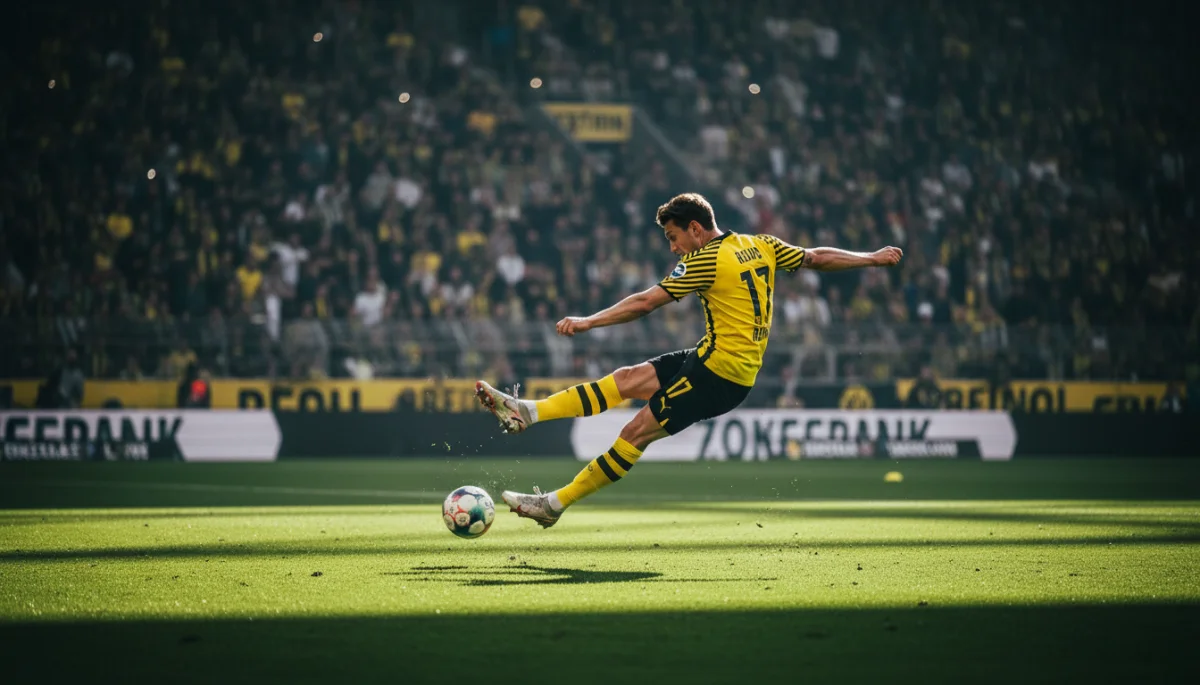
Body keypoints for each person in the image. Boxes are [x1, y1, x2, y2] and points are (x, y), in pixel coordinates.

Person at [475, 193, 902, 527]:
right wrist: (871, 257)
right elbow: (815, 257)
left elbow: (645, 302)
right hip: (712, 359)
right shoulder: (761, 244)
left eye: (673, 237)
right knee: (628, 378)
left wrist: (589, 321)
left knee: (635, 431)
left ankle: (553, 504)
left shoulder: (705, 260)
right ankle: (527, 412)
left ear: (695, 229)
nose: (674, 248)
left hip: (718, 376)